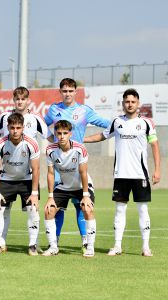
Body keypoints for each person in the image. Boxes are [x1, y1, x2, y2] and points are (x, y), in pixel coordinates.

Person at [84, 88, 160, 257]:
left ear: (138, 104)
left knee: (142, 210)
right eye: (127, 101)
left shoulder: (147, 123)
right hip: (121, 175)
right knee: (119, 210)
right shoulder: (116, 121)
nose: (130, 104)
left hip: (140, 175)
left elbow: (155, 146)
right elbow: (103, 136)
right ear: (123, 103)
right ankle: (117, 246)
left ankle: (145, 247)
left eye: (133, 102)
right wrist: (84, 139)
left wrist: (157, 171)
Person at [44, 78, 109, 249]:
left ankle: (85, 239)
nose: (67, 94)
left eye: (70, 91)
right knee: (58, 207)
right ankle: (54, 241)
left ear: (76, 92)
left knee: (81, 204)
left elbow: (108, 125)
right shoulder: (53, 109)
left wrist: (86, 139)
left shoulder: (84, 111)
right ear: (60, 92)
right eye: (64, 91)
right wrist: (53, 141)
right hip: (59, 164)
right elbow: (41, 127)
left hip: (77, 160)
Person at [0, 86, 48, 251]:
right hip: (6, 177)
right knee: (0, 209)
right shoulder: (3, 119)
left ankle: (32, 244)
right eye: (17, 99)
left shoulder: (35, 121)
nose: (20, 102)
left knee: (33, 209)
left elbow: (48, 136)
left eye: (23, 99)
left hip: (27, 177)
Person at [43, 120, 96, 257]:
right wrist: (50, 197)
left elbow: (83, 172)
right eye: (59, 133)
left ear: (70, 134)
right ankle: (53, 246)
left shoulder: (80, 149)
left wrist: (85, 195)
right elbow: (50, 173)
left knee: (87, 208)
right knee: (49, 210)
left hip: (81, 187)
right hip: (64, 186)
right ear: (55, 134)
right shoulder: (50, 150)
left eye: (65, 133)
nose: (62, 136)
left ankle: (89, 247)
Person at [0, 112, 40, 256]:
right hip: (6, 180)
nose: (15, 131)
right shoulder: (0, 144)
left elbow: (36, 169)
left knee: (33, 209)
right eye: (12, 128)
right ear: (8, 127)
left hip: (27, 180)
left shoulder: (32, 143)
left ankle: (32, 245)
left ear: (23, 127)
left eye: (18, 127)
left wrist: (35, 193)